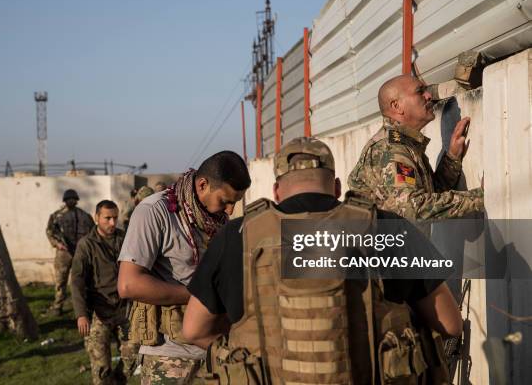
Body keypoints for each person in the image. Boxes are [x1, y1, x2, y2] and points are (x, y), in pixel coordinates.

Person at [183, 137, 460, 384]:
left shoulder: (236, 236)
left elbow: (194, 330)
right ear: (337, 186)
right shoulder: (386, 227)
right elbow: (450, 324)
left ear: (276, 191)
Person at [117, 151, 251, 384]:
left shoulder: (217, 221)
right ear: (202, 185)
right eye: (225, 201)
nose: (230, 210)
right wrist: (198, 295)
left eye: (236, 202)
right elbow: (129, 284)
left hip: (216, 350)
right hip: (170, 357)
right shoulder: (155, 212)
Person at [348, 74, 484, 219]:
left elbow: (431, 195)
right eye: (420, 91)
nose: (428, 95)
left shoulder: (405, 144)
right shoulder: (390, 150)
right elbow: (413, 209)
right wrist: (481, 197)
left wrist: (451, 158)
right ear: (397, 106)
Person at [71, 200, 138, 385]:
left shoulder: (124, 239)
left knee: (133, 357)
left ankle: (117, 381)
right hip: (98, 313)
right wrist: (81, 314)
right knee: (101, 369)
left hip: (125, 310)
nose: (112, 223)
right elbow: (76, 281)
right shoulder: (86, 245)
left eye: (115, 218)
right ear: (96, 218)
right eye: (107, 218)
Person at [46, 189, 94, 315]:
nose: (71, 200)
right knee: (60, 280)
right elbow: (50, 231)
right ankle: (58, 306)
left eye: (73, 198)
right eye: (69, 198)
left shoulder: (85, 216)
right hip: (64, 253)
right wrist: (57, 244)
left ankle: (84, 307)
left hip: (80, 253)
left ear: (77, 200)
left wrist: (87, 247)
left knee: (82, 280)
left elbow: (93, 232)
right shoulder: (57, 216)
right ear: (65, 200)